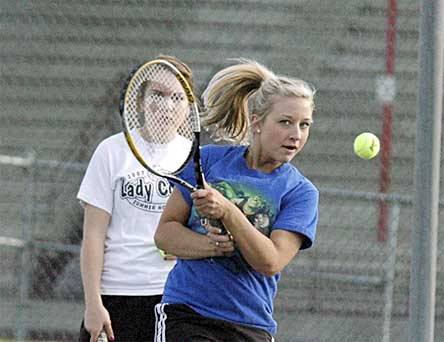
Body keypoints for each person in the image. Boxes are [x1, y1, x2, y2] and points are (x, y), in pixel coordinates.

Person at [154, 59, 319, 341]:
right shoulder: (207, 160)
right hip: (187, 313)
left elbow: (270, 262)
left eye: (304, 125)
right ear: (257, 122)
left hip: (250, 324)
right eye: (285, 122)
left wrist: (228, 210)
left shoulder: (300, 192)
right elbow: (165, 235)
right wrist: (210, 245)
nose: (296, 135)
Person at [77, 54, 233, 342]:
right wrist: (93, 304)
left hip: (176, 297)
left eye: (176, 97)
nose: (166, 105)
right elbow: (93, 235)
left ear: (189, 108)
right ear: (139, 101)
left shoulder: (196, 158)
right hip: (117, 294)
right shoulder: (111, 151)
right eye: (157, 94)